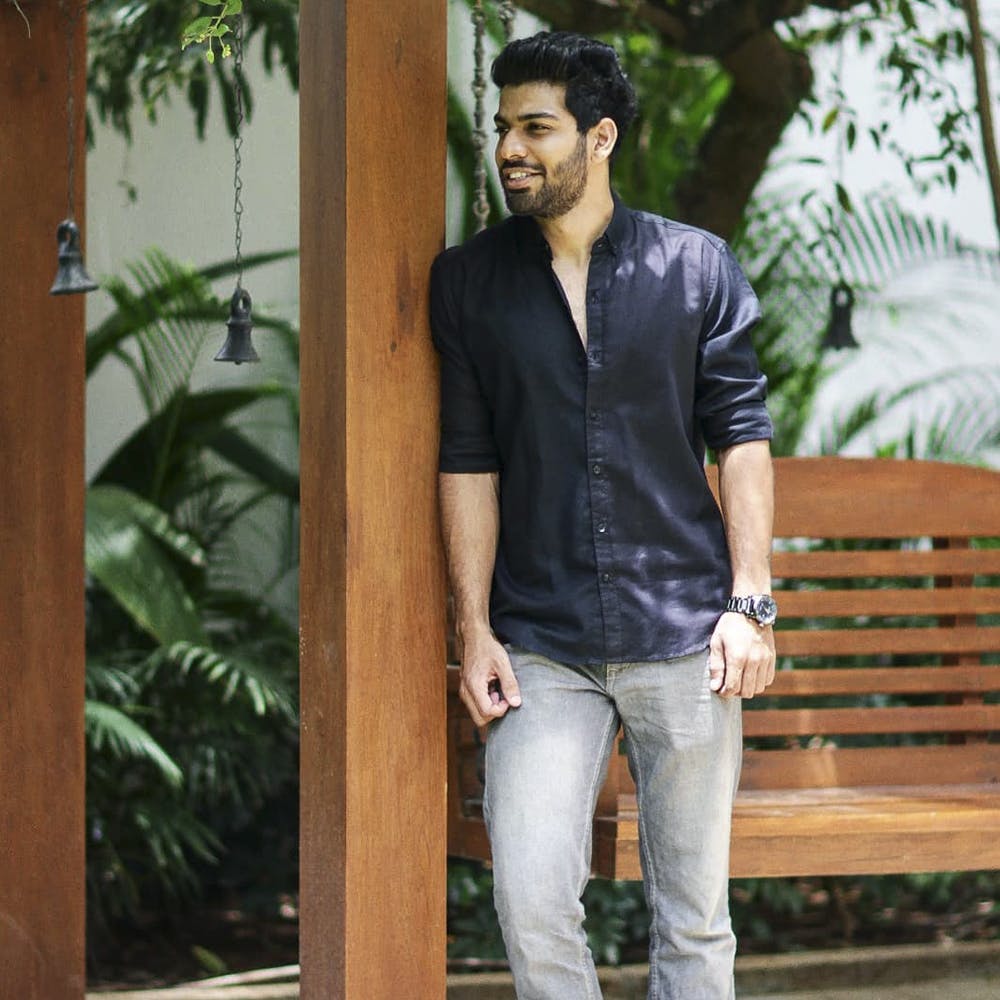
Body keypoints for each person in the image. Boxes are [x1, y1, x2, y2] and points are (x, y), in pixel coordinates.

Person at [430, 30, 777, 1000]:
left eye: (536, 126)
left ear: (601, 136)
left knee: (692, 919)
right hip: (542, 642)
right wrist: (475, 630)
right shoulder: (468, 284)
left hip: (685, 636)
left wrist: (749, 604)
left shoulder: (696, 267)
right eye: (503, 128)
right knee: (534, 900)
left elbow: (740, 437)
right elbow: (468, 460)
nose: (511, 148)